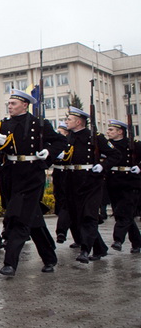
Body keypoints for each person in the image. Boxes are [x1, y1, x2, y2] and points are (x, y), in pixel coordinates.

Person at [0, 89, 66, 276]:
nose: (10, 106)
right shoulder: (2, 124)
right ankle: (49, 258)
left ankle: (10, 263)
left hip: (31, 174)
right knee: (32, 217)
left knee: (18, 219)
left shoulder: (38, 124)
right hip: (10, 175)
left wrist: (48, 152)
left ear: (25, 105)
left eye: (14, 103)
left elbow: (60, 142)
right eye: (9, 103)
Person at [60, 107, 120, 263]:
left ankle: (85, 250)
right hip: (72, 180)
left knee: (89, 216)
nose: (66, 121)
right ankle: (100, 248)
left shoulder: (95, 137)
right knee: (78, 217)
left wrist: (103, 166)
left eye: (69, 119)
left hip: (91, 180)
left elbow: (115, 154)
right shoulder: (69, 137)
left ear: (79, 122)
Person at [104, 119, 141, 253]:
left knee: (123, 212)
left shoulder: (134, 144)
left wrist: (139, 167)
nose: (108, 132)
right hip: (114, 182)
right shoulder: (108, 146)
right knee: (124, 215)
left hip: (130, 182)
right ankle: (137, 243)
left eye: (111, 130)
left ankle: (118, 240)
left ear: (120, 132)